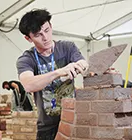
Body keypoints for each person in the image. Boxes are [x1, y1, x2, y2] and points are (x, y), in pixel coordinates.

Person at [16, 9, 89, 140]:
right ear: (28, 38)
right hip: (47, 126)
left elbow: (82, 63)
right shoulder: (27, 59)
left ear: (51, 26)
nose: (46, 38)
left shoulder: (67, 48)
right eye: (38, 35)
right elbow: (28, 84)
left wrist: (83, 66)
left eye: (47, 30)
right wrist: (58, 72)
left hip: (73, 120)